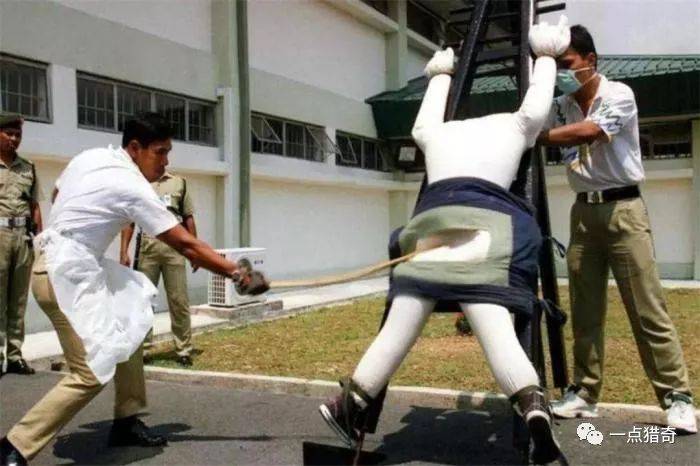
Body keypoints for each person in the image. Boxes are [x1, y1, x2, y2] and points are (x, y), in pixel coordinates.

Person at [318, 17, 571, 465]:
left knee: (400, 323)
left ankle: (352, 402)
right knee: (496, 328)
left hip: (431, 233)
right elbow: (536, 111)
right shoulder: (514, 126)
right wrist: (546, 56)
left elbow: (420, 129)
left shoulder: (439, 134)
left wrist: (440, 75)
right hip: (488, 234)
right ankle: (532, 404)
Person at [0, 113, 268, 466]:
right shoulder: (133, 187)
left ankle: (126, 421)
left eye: (168, 153)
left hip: (74, 265)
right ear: (136, 147)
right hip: (64, 277)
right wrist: (238, 274)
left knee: (131, 322)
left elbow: (57, 192)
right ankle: (14, 447)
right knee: (90, 373)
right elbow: (187, 245)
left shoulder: (92, 157)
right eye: (160, 152)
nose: (166, 162)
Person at [538, 25, 696, 434]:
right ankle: (584, 393)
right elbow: (530, 119)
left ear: (590, 61)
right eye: (556, 66)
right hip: (583, 214)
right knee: (585, 311)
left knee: (647, 308)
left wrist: (538, 136)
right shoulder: (561, 106)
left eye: (567, 64)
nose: (562, 74)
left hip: (623, 211)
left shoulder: (618, 94)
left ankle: (677, 398)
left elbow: (592, 132)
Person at [120, 171, 197, 366]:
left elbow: (188, 218)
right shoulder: (139, 182)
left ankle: (184, 349)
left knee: (179, 300)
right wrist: (123, 251)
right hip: (148, 247)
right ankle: (143, 350)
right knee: (143, 301)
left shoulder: (179, 183)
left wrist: (194, 251)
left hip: (175, 248)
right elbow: (129, 221)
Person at [0, 113, 43, 377]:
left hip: (22, 237)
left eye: (18, 135)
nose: (14, 138)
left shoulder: (29, 168)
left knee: (18, 299)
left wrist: (39, 238)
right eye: (9, 133)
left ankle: (15, 355)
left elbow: (34, 205)